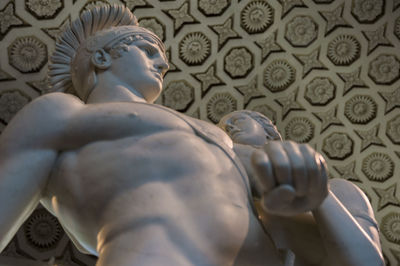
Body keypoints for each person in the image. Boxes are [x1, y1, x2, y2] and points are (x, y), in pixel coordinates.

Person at [0, 5, 383, 266]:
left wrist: (322, 196)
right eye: (147, 49)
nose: (163, 62)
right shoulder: (61, 113)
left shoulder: (225, 144)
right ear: (103, 57)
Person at [219, 110, 383, 265]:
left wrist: (317, 197)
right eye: (222, 130)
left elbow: (367, 262)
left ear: (270, 135)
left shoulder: (338, 190)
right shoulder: (222, 202)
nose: (229, 128)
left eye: (237, 120)